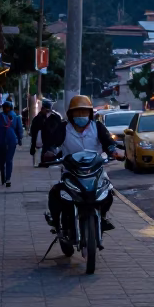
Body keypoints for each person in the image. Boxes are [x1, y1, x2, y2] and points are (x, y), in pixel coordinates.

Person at [40, 95, 124, 233]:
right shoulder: (63, 128)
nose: (81, 115)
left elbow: (109, 143)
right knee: (55, 194)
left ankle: (102, 216)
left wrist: (115, 151)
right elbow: (52, 145)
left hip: (95, 171)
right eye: (77, 112)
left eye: (84, 112)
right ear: (70, 114)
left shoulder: (98, 127)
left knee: (108, 193)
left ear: (90, 113)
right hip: (71, 172)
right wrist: (49, 152)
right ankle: (57, 223)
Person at [0, 100, 22, 187]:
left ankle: (8, 179)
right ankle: (2, 173)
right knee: (0, 162)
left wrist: (20, 139)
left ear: (11, 108)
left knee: (9, 160)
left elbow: (19, 129)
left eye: (8, 107)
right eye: (5, 107)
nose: (6, 109)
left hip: (11, 141)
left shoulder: (16, 117)